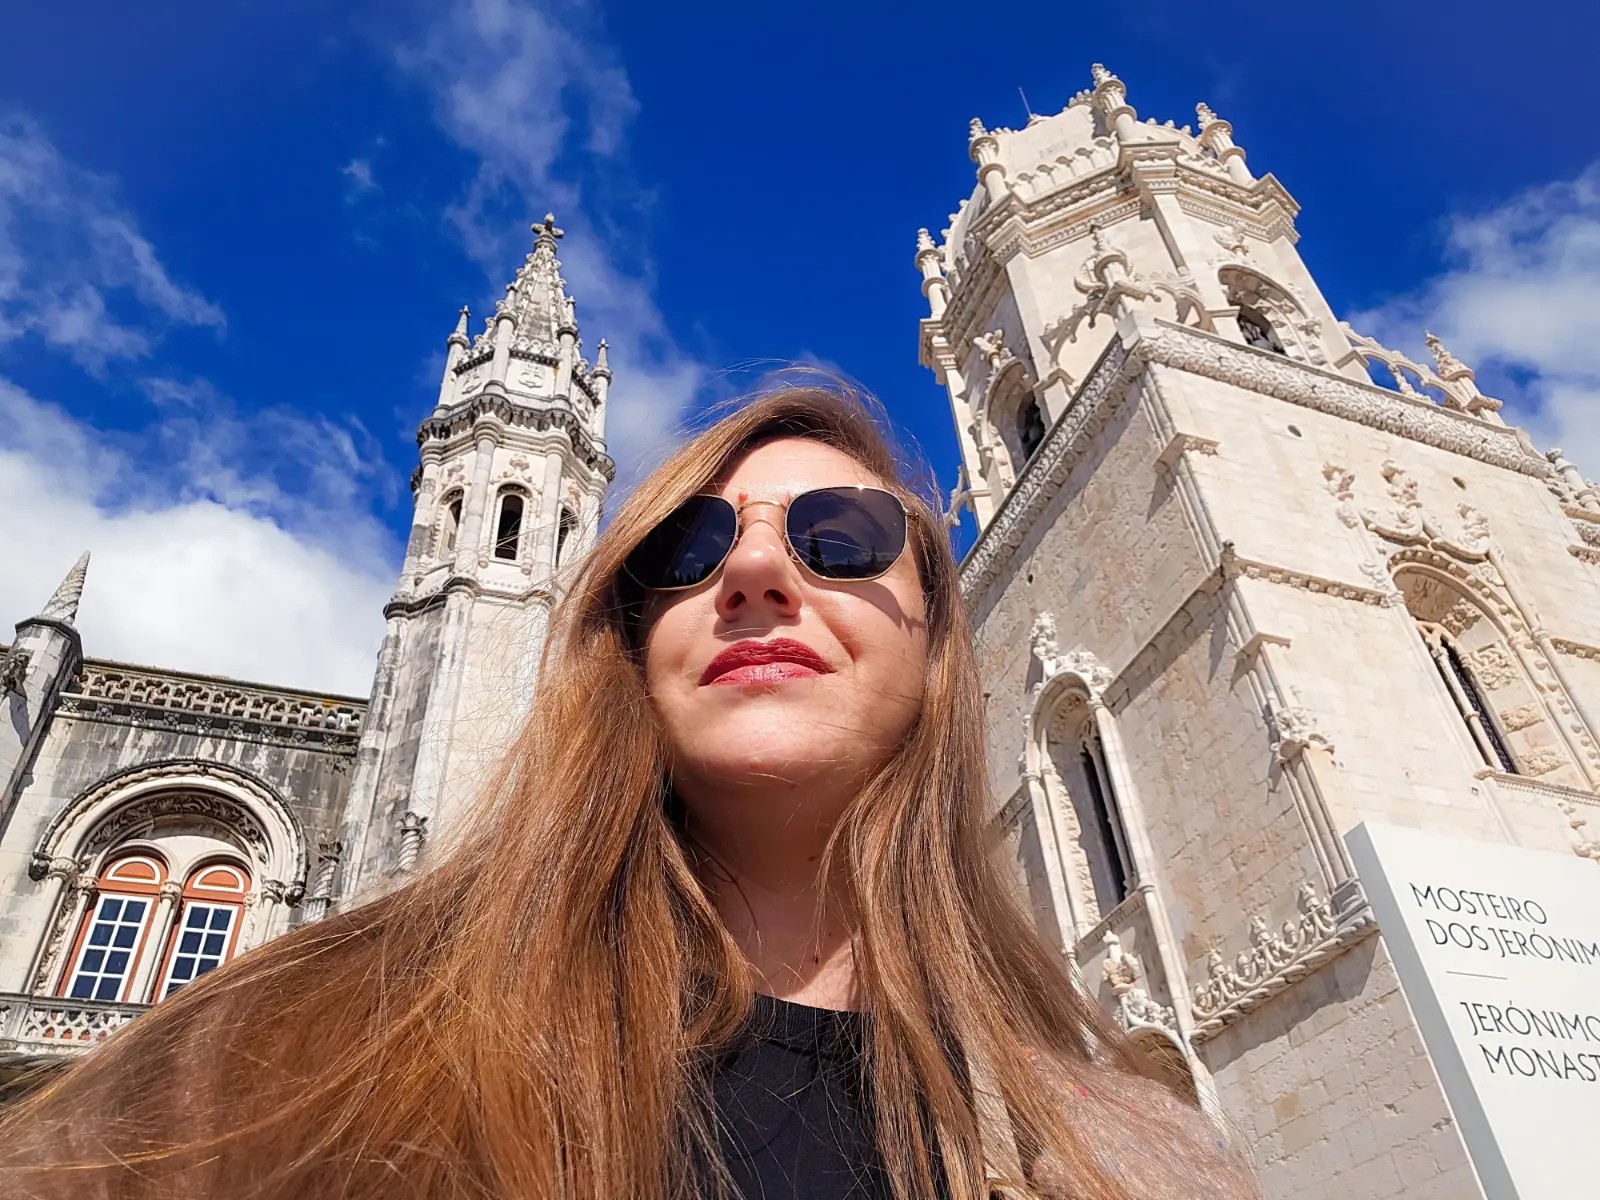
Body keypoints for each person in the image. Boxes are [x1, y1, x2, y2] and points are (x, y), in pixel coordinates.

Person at [0, 384, 1257, 1199]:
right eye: (686, 548)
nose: (756, 567)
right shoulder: (290, 1044)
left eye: (840, 537)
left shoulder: (1136, 1154)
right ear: (627, 638)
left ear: (937, 642)